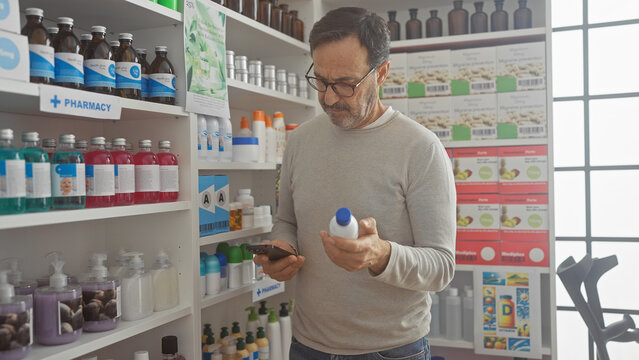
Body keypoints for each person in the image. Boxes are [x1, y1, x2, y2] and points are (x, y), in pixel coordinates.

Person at [254, 7, 456, 360]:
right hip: (307, 345)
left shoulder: (421, 148)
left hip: (391, 350)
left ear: (382, 73)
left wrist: (381, 255)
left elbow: (441, 266)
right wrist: (281, 250)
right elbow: (287, 220)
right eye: (321, 80)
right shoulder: (300, 141)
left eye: (346, 84)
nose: (329, 98)